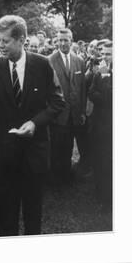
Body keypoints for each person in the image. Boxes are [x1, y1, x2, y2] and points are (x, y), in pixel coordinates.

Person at [0, 15, 65, 236]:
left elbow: (58, 102)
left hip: (35, 148)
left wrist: (34, 123)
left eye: (5, 41)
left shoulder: (42, 64)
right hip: (7, 149)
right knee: (6, 207)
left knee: (33, 207)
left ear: (21, 39)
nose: (0, 46)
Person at [48, 29, 88, 185]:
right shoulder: (49, 60)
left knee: (69, 145)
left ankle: (66, 173)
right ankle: (56, 177)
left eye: (66, 40)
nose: (63, 43)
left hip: (75, 113)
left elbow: (82, 88)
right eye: (60, 40)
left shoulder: (79, 61)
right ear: (56, 41)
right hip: (58, 114)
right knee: (57, 146)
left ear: (72, 40)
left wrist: (82, 111)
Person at [88, 41, 113, 212]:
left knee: (109, 159)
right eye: (103, 53)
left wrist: (104, 81)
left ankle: (109, 194)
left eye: (108, 54)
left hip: (111, 123)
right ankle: (100, 192)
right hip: (99, 122)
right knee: (99, 157)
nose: (104, 57)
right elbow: (91, 92)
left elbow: (110, 98)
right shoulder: (100, 71)